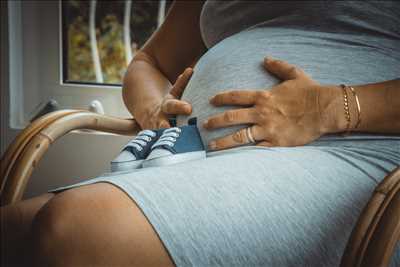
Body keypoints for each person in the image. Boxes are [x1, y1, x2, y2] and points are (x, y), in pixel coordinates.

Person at [2, 1, 400, 266]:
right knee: (10, 232)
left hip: (351, 155)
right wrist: (153, 106)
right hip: (185, 161)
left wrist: (331, 108)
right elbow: (149, 61)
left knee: (76, 230)